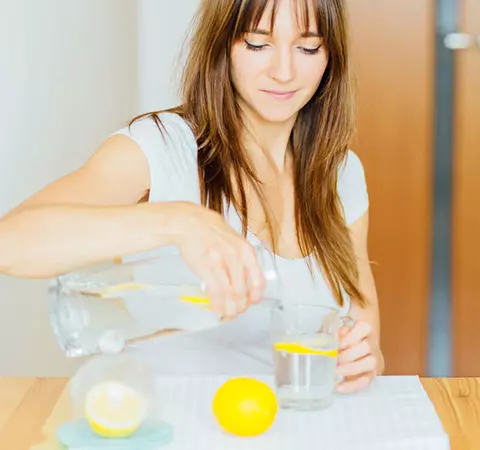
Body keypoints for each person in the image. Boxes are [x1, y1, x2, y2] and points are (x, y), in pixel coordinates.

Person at [0, 0, 383, 393]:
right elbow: (10, 244)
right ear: (223, 45)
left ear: (331, 55)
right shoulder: (160, 146)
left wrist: (357, 358)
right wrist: (179, 221)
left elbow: (365, 328)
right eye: (256, 44)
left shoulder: (341, 173)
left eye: (308, 47)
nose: (284, 72)